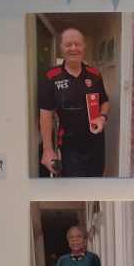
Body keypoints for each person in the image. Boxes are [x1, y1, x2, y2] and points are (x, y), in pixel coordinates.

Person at [38, 28, 110, 177]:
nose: (73, 48)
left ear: (84, 47)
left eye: (77, 44)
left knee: (95, 185)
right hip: (70, 149)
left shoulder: (95, 75)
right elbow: (45, 115)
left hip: (96, 147)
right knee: (74, 189)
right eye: (68, 44)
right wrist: (47, 149)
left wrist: (102, 118)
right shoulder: (52, 77)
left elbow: (105, 102)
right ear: (61, 48)